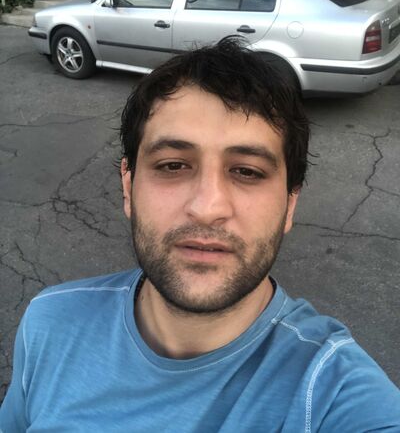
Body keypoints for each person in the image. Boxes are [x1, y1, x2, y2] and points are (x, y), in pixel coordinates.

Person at [0, 38, 399, 432]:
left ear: (290, 204)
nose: (207, 208)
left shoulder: (332, 393)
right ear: (128, 186)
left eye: (247, 171)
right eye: (173, 165)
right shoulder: (49, 323)